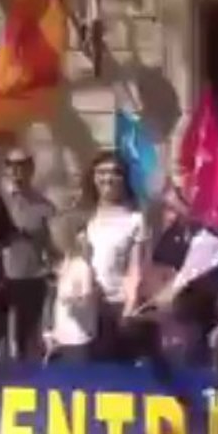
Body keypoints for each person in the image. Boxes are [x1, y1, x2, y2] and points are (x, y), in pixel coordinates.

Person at [81, 152, 146, 357]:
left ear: (125, 180)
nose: (107, 178)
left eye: (115, 173)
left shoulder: (135, 220)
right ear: (92, 177)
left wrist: (130, 306)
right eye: (101, 172)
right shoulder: (83, 217)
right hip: (85, 307)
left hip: (117, 306)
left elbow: (136, 267)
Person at [0, 146, 56, 361]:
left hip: (32, 279)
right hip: (1, 278)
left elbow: (53, 244)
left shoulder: (45, 206)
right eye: (11, 165)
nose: (16, 170)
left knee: (28, 339)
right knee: (1, 337)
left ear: (31, 168)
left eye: (22, 165)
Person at [45, 213, 98, 363]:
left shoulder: (82, 266)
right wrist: (52, 333)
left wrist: (73, 299)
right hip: (61, 339)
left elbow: (86, 299)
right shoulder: (65, 263)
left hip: (78, 340)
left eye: (55, 235)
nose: (53, 240)